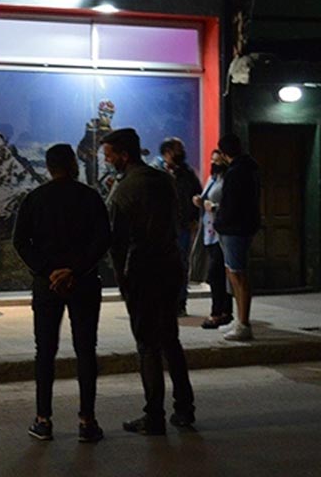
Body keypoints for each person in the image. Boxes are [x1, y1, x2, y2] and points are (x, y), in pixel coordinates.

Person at [12, 143, 111, 444]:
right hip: (84, 283)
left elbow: (20, 242)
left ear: (48, 167)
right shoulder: (90, 197)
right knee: (86, 351)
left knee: (45, 352)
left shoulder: (35, 199)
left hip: (47, 286)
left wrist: (48, 271)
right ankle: (87, 421)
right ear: (73, 164)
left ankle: (43, 420)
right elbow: (103, 240)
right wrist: (75, 270)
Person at [101, 127, 195, 435]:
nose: (107, 160)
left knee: (147, 344)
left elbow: (116, 241)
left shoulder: (124, 190)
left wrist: (121, 278)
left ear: (124, 154)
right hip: (170, 266)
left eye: (110, 155)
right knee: (170, 338)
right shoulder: (164, 180)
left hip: (143, 270)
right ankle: (185, 408)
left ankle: (154, 415)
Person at [214, 133, 262, 342]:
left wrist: (219, 222)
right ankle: (240, 320)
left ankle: (243, 324)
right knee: (234, 273)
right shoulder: (249, 169)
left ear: (224, 153)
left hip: (234, 229)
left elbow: (231, 204)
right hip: (241, 226)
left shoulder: (236, 172)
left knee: (238, 275)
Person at [159, 137, 202, 316]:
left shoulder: (188, 173)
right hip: (161, 227)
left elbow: (197, 195)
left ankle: (180, 303)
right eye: (177, 149)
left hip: (182, 226)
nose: (181, 152)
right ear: (167, 152)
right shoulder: (157, 172)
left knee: (181, 264)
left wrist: (194, 218)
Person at [194, 149, 233, 329]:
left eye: (217, 160)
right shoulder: (212, 179)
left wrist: (214, 207)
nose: (214, 163)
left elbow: (230, 205)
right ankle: (225, 311)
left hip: (222, 233)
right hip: (209, 232)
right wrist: (200, 202)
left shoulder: (228, 180)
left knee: (215, 273)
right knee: (217, 274)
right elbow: (206, 199)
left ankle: (218, 312)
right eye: (212, 160)